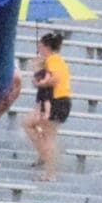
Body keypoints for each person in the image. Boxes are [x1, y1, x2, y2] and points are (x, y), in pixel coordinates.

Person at [22, 31, 70, 183]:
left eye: (40, 46)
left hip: (56, 100)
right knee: (29, 124)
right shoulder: (51, 61)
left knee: (48, 137)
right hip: (54, 100)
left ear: (46, 47)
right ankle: (44, 156)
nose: (39, 49)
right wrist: (37, 69)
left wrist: (40, 82)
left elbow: (54, 79)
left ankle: (50, 172)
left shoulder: (54, 60)